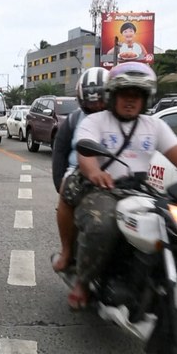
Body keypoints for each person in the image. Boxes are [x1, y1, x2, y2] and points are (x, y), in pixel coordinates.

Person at [67, 62, 177, 310]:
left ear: (145, 99)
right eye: (125, 95)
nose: (131, 101)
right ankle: (83, 282)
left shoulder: (155, 126)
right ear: (113, 96)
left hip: (141, 192)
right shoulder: (96, 121)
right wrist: (95, 172)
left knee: (170, 227)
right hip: (102, 190)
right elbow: (85, 152)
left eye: (137, 96)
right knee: (102, 225)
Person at [51, 67, 109, 274]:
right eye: (91, 102)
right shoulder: (75, 120)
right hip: (78, 173)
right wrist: (60, 182)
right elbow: (60, 150)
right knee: (67, 196)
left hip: (116, 176)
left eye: (100, 101)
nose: (96, 106)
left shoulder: (121, 119)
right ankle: (67, 252)